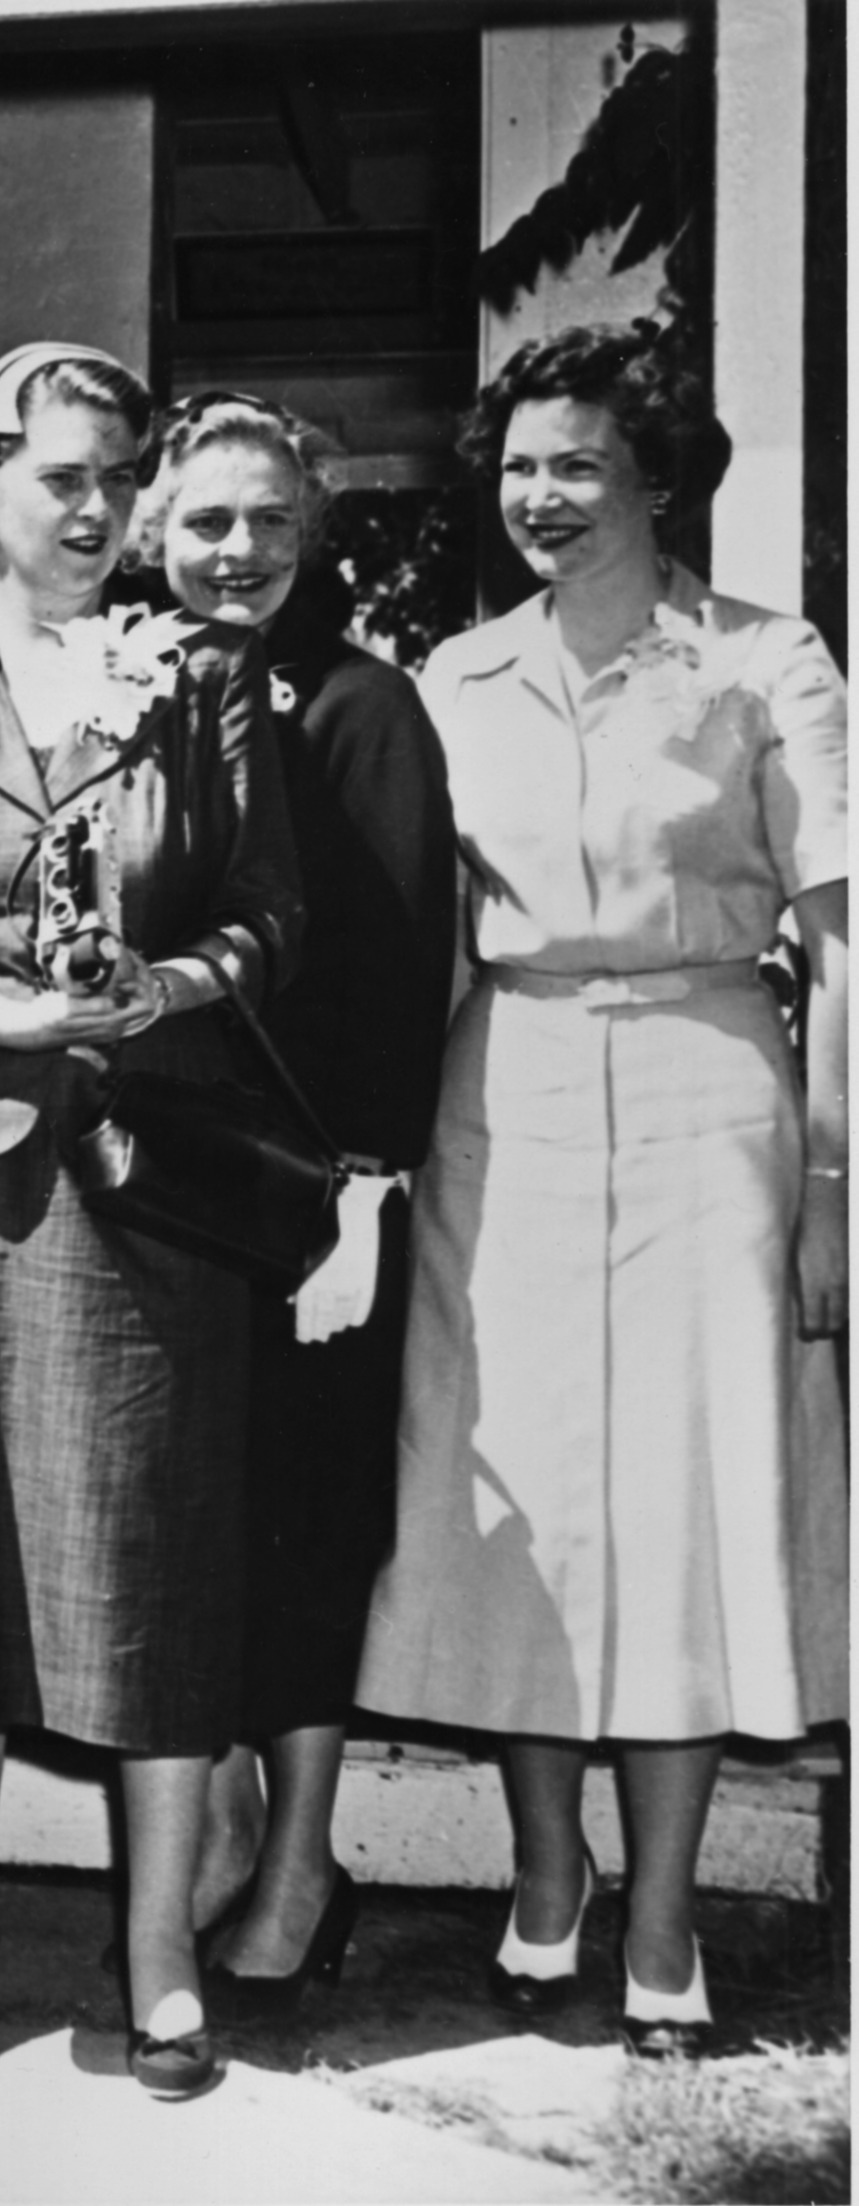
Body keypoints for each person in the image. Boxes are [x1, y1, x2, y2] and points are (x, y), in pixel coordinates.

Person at [0, 341, 303, 2099]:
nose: (93, 511)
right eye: (58, 477)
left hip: (146, 1179)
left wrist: (160, 988)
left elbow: (264, 919)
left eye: (116, 479)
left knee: (151, 1571)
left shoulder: (202, 677)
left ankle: (156, 1950)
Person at [354, 323, 847, 2058]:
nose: (538, 497)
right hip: (509, 1094)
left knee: (688, 1506)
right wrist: (370, 1169)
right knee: (528, 1515)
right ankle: (545, 1873)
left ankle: (660, 1913)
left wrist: (832, 1181)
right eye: (515, 467)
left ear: (653, 478)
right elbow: (406, 940)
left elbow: (838, 939)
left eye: (574, 464)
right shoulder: (449, 676)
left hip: (716, 1090)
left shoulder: (763, 664)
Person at [129, 395, 457, 2015]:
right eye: (205, 522)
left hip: (313, 1203)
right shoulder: (126, 691)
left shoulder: (360, 706)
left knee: (306, 1532)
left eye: (266, 521)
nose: (236, 551)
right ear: (152, 532)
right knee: (191, 1536)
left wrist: (360, 1191)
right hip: (159, 1202)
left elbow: (398, 976)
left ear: (307, 535)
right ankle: (224, 1822)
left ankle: (306, 1854)